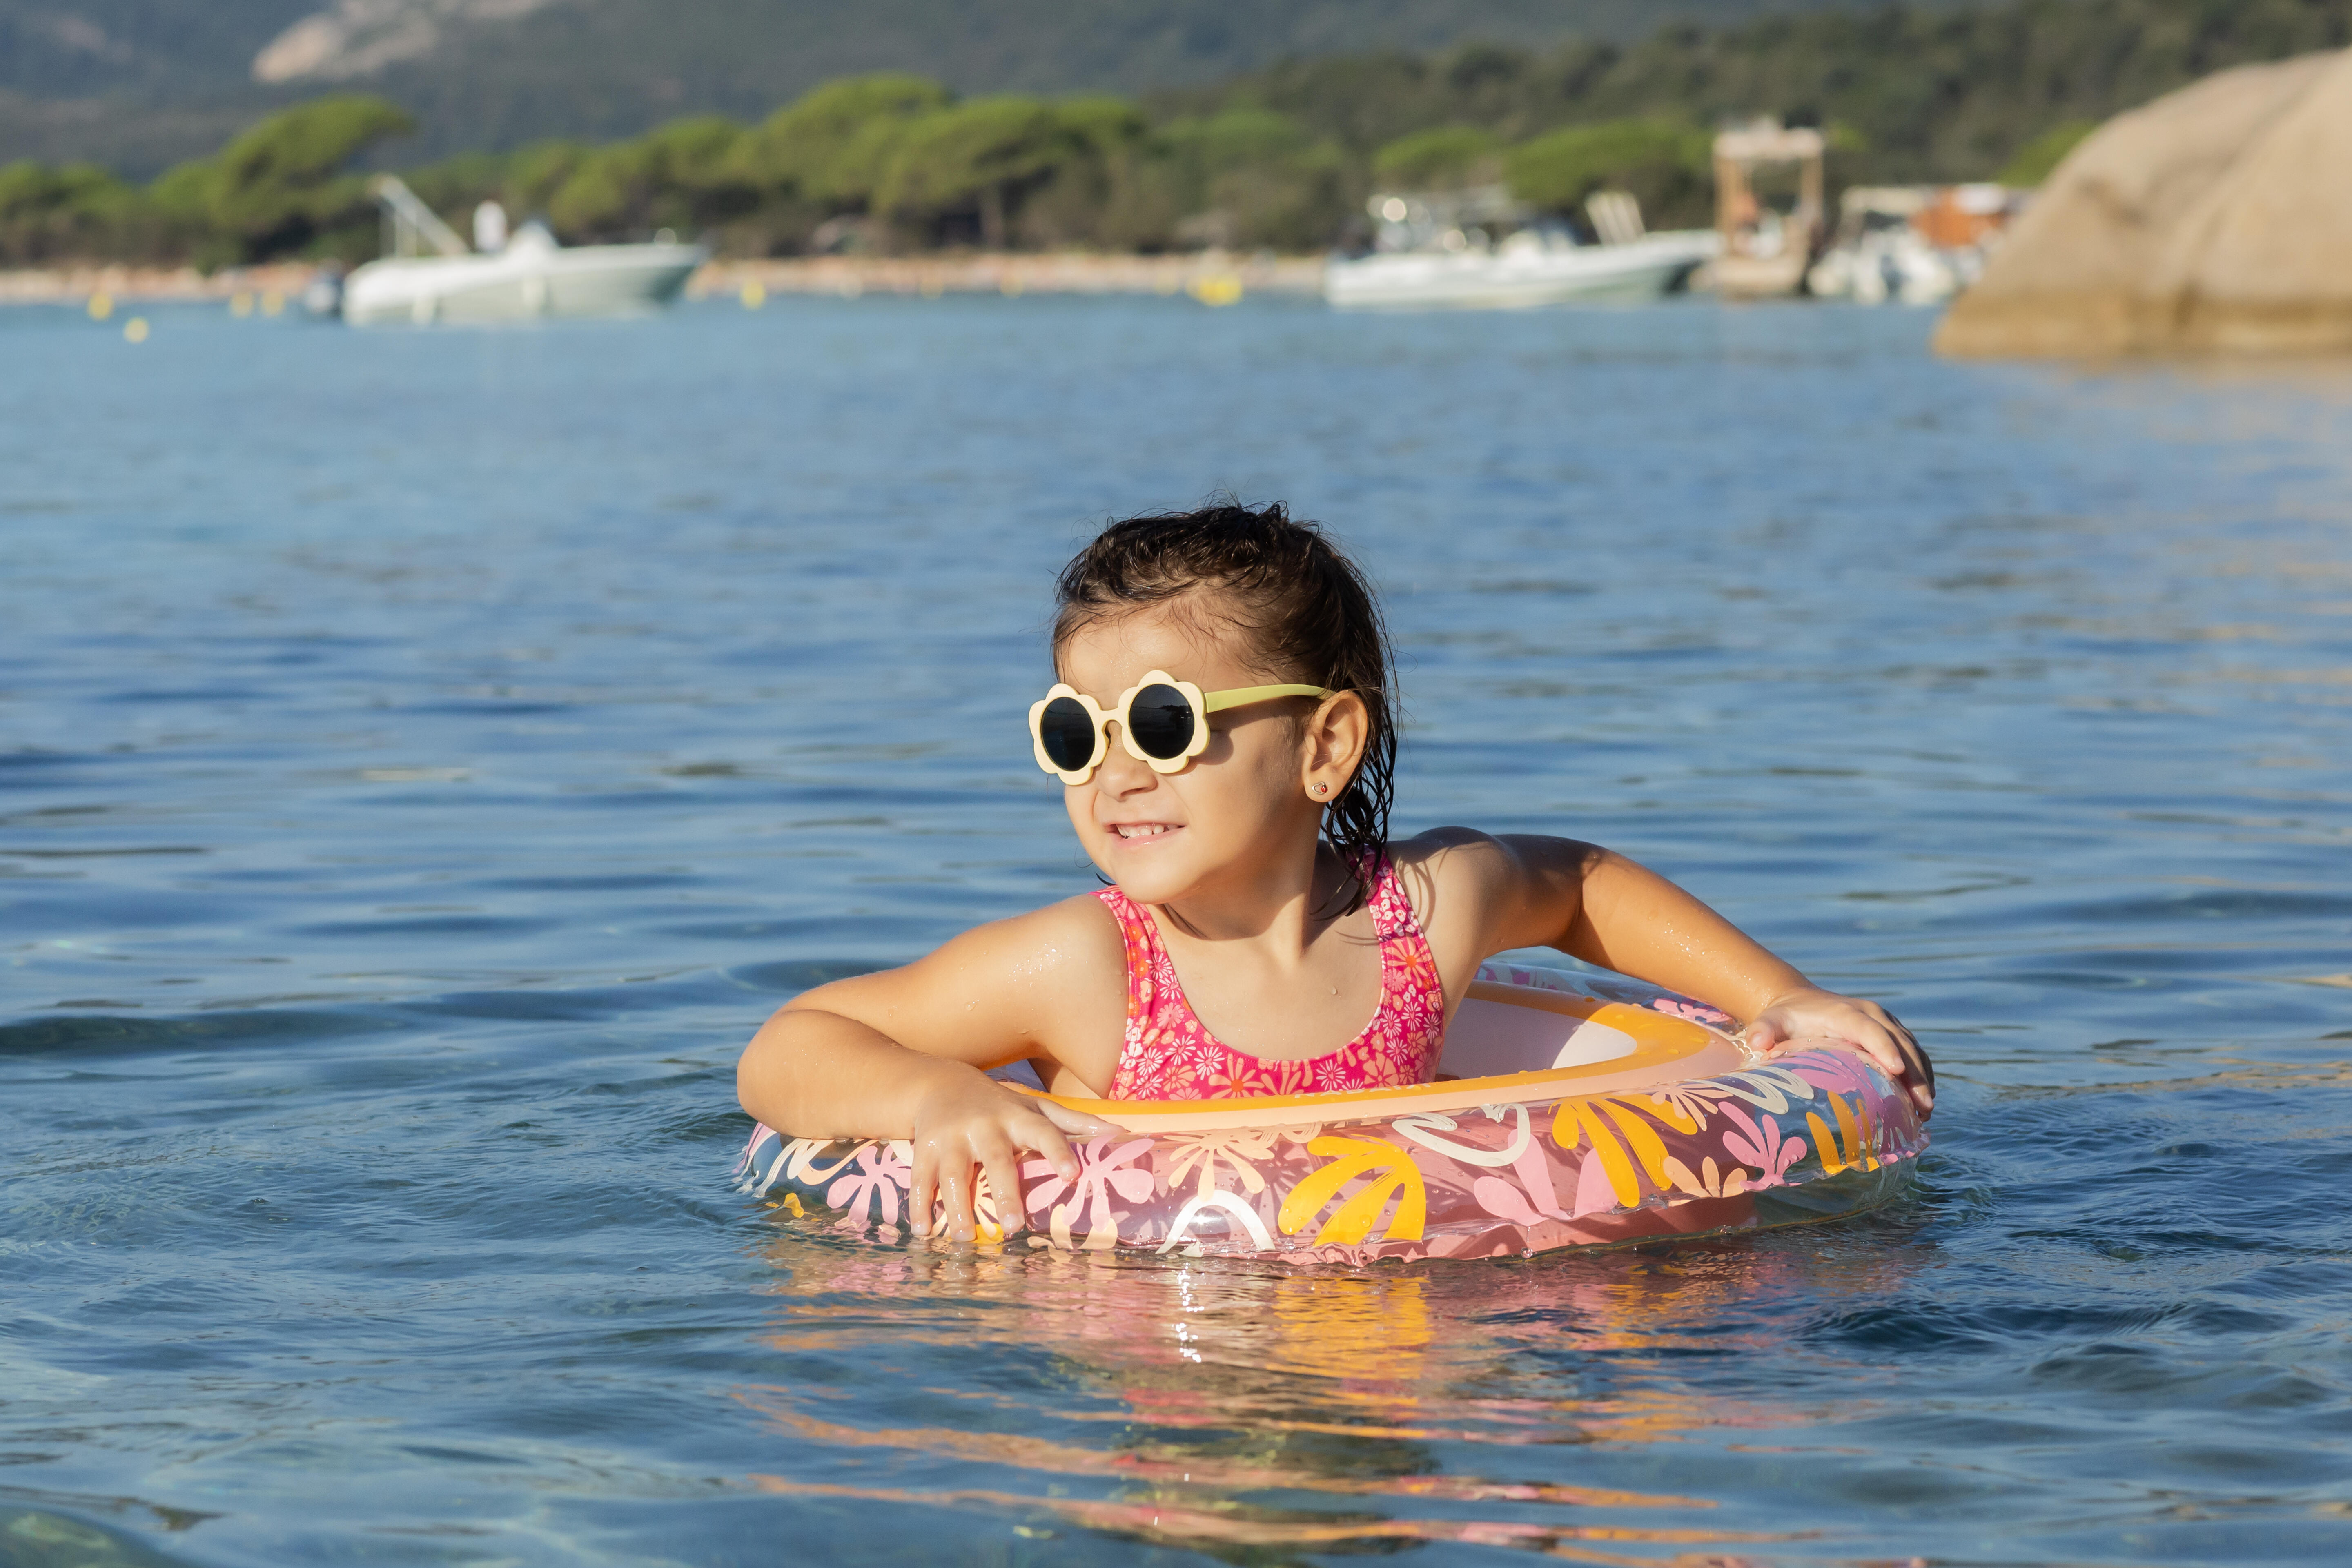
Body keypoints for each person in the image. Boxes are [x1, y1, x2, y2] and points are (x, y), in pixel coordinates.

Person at [736, 502, 1933, 1241]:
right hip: (1167, 1358)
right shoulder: (1089, 966)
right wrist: (932, 1099)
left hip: (1427, 1326)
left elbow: (1575, 882)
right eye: (1072, 733)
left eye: (1161, 725)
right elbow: (794, 1044)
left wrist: (1777, 999)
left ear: (1325, 746)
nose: (1115, 774)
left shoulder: (1427, 915)